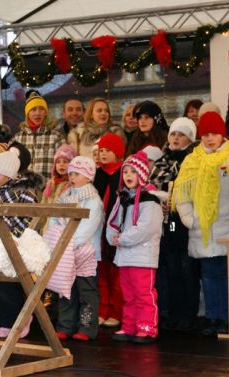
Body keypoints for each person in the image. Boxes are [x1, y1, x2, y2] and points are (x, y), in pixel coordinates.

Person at [174, 111, 229, 337]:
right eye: (205, 135)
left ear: (223, 135)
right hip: (202, 231)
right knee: (210, 277)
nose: (210, 139)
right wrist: (189, 219)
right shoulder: (192, 161)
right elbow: (181, 194)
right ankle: (214, 318)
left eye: (214, 134)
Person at [149, 117, 200, 331]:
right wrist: (157, 201)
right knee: (171, 266)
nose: (176, 138)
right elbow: (151, 187)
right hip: (168, 222)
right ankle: (170, 312)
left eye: (181, 134)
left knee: (188, 268)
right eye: (173, 134)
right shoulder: (161, 161)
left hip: (187, 221)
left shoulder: (195, 160)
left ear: (190, 137)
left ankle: (188, 313)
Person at [107, 151, 163, 344]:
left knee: (143, 294)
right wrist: (111, 237)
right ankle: (129, 326)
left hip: (143, 256)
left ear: (142, 175)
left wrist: (121, 239)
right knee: (128, 294)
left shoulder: (151, 201)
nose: (128, 176)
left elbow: (145, 229)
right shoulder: (122, 199)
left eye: (133, 172)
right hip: (124, 256)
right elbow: (113, 222)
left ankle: (147, 327)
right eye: (126, 172)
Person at [0, 147, 43, 339]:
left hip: (18, 241)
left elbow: (29, 215)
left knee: (18, 281)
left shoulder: (25, 191)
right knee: (3, 282)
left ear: (9, 173)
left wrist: (16, 235)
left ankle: (22, 319)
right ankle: (7, 322)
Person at [47, 156, 104, 341]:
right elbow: (54, 217)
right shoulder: (65, 196)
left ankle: (87, 328)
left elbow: (88, 228)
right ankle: (65, 326)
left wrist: (68, 243)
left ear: (88, 177)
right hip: (65, 251)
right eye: (71, 173)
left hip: (85, 252)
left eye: (77, 174)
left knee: (87, 292)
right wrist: (57, 238)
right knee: (66, 289)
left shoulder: (94, 200)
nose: (72, 177)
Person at [93, 132, 126, 328]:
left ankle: (116, 311)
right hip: (98, 230)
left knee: (116, 274)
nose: (104, 154)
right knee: (101, 273)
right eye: (101, 150)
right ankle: (102, 309)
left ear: (118, 153)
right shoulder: (97, 175)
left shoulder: (123, 173)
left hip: (116, 231)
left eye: (108, 150)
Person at [12, 90, 66, 182]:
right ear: (27, 114)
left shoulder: (56, 137)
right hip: (23, 190)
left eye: (41, 109)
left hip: (48, 189)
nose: (38, 113)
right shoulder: (17, 139)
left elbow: (64, 164)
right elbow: (10, 166)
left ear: (45, 113)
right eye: (33, 109)